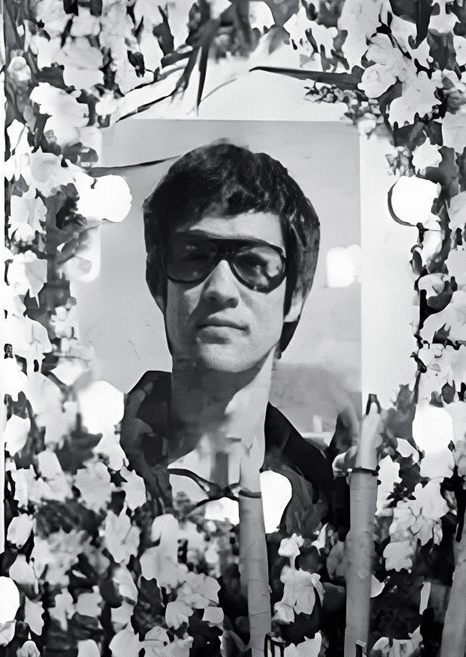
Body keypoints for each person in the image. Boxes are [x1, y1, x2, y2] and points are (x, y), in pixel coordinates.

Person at [119, 141, 347, 536]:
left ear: (294, 297)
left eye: (254, 262)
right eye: (194, 255)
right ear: (158, 284)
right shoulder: (89, 474)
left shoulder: (335, 505)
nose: (221, 289)